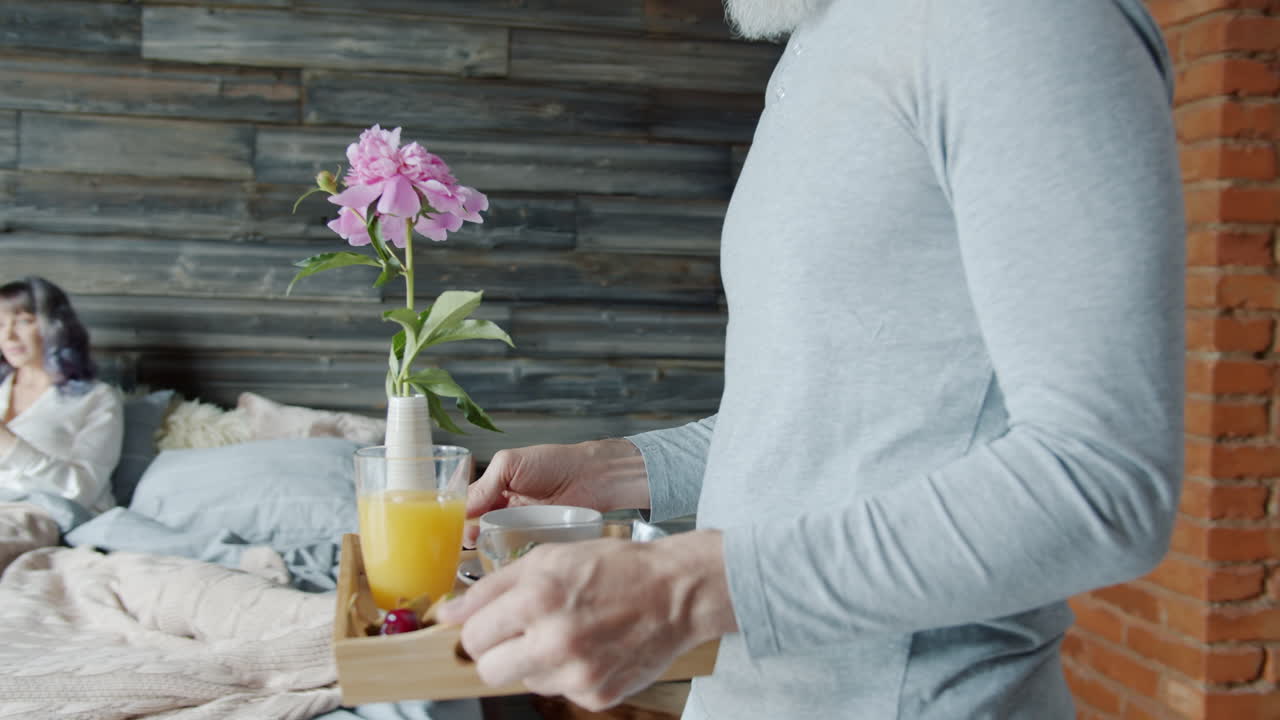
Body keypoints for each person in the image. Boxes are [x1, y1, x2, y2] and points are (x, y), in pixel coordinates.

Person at [437, 0, 1185, 717]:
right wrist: (625, 468)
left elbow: (1102, 479)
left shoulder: (1017, 19)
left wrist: (682, 587)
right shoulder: (822, 34)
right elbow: (838, 416)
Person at [0, 277, 123, 515]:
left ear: (54, 326)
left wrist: (9, 446)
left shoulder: (96, 398)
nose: (9, 337)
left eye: (24, 321)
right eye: (0, 325)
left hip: (41, 513)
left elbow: (84, 489)